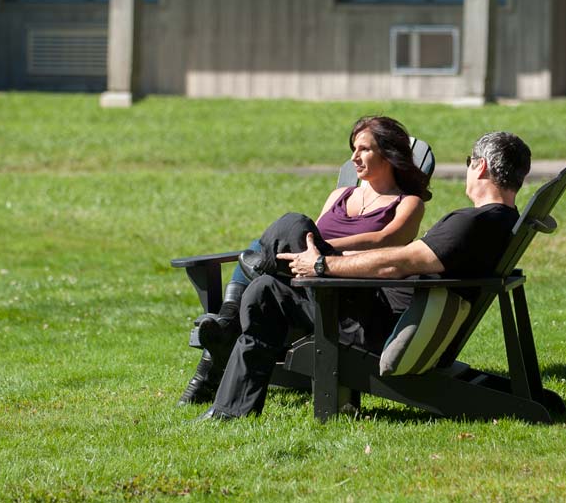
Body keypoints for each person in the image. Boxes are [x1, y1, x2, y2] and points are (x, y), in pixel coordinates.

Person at [196, 131, 531, 421]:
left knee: (292, 226)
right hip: (377, 310)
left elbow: (398, 262)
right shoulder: (498, 222)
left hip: (371, 324)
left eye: (469, 163)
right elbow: (402, 261)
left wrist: (322, 265)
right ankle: (231, 410)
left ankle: (234, 309)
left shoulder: (471, 223)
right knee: (266, 291)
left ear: (481, 166)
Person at [178, 116, 430, 405]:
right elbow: (313, 236)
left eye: (363, 149)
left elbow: (386, 241)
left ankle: (231, 315)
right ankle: (228, 329)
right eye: (353, 149)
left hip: (354, 294)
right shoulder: (341, 194)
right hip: (312, 284)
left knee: (288, 228)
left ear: (388, 153)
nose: (354, 157)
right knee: (267, 278)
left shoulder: (408, 202)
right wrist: (311, 250)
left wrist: (322, 250)